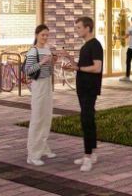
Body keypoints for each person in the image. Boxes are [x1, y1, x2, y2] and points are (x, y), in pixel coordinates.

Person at [64, 16, 103, 172]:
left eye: (79, 27)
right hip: (82, 89)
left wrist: (78, 68)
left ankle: (87, 157)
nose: (77, 30)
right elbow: (80, 66)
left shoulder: (95, 45)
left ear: (87, 28)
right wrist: (70, 60)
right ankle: (92, 154)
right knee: (88, 120)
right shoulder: (85, 46)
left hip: (89, 89)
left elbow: (97, 68)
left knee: (86, 121)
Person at [25, 24, 57, 166]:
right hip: (38, 86)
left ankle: (43, 147)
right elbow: (28, 70)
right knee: (37, 119)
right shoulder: (33, 51)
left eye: (47, 35)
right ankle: (32, 155)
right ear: (36, 35)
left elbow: (48, 70)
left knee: (46, 117)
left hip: (47, 84)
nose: (45, 37)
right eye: (43, 35)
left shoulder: (47, 49)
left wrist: (53, 62)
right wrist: (42, 62)